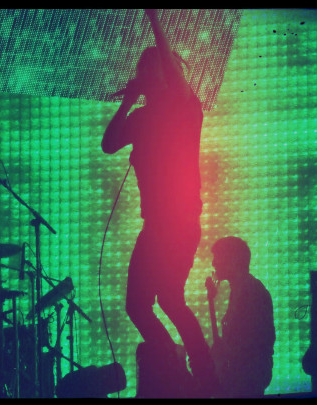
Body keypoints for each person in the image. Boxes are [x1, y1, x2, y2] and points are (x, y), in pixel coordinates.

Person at [102, 9, 218, 396]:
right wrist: (127, 102)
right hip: (155, 226)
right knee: (138, 306)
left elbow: (171, 66)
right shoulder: (141, 117)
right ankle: (176, 368)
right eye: (143, 71)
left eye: (153, 70)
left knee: (169, 298)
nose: (148, 76)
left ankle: (204, 377)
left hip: (179, 223)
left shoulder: (183, 108)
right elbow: (109, 144)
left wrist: (154, 20)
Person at [209, 236, 276, 398]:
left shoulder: (251, 293)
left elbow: (251, 343)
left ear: (232, 260)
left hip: (246, 380)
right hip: (245, 378)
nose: (213, 263)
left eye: (218, 257)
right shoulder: (243, 289)